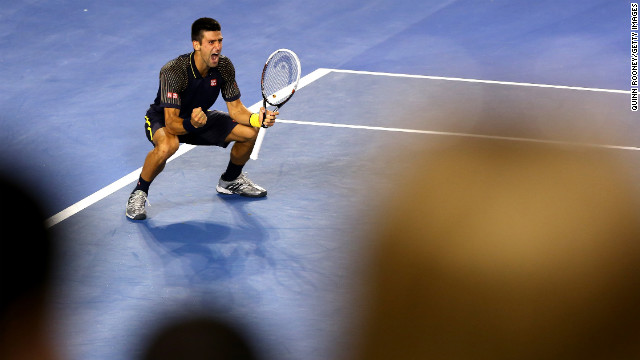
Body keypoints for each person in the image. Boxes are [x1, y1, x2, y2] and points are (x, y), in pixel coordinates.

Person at [126, 17, 278, 220]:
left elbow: (236, 109)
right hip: (165, 119)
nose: (217, 47)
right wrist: (191, 124)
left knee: (249, 133)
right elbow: (171, 123)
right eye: (211, 42)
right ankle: (139, 192)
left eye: (220, 41)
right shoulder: (173, 71)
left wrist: (257, 119)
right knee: (168, 146)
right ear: (196, 45)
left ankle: (230, 181)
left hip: (200, 118)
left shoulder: (224, 67)